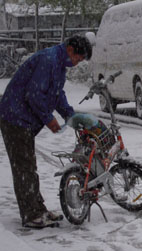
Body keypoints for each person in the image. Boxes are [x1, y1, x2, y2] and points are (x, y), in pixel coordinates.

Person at [0, 35, 92, 229]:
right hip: (14, 117)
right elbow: (34, 94)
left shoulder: (58, 64)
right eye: (78, 58)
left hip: (22, 118)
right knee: (24, 168)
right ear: (70, 50)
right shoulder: (48, 60)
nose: (77, 63)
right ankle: (32, 215)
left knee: (28, 166)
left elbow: (56, 94)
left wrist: (70, 115)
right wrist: (49, 119)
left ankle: (37, 209)